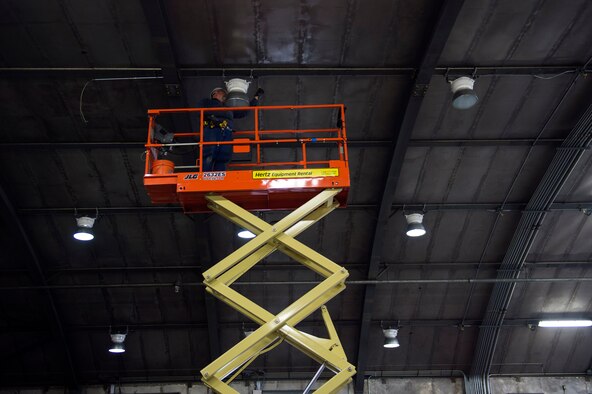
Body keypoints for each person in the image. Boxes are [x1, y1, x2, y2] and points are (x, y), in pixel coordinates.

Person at [197, 86, 264, 172]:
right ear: (215, 94)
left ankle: (219, 178)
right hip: (213, 130)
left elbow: (244, 112)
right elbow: (199, 111)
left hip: (226, 132)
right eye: (222, 92)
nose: (225, 95)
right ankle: (203, 176)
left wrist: (256, 98)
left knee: (223, 156)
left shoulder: (229, 107)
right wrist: (214, 117)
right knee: (209, 153)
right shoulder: (207, 102)